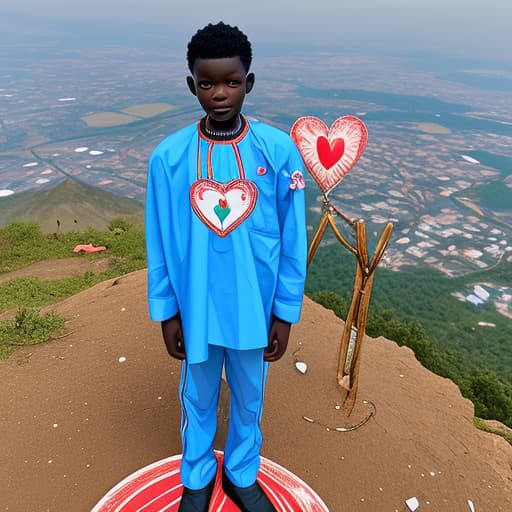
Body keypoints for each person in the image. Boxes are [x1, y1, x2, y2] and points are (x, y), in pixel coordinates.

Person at [145, 21, 307, 512]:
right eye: (208, 83)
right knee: (196, 396)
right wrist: (167, 312)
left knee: (249, 396)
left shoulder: (277, 152)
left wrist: (284, 312)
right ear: (192, 84)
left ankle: (240, 472)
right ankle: (195, 477)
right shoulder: (168, 159)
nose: (220, 93)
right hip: (195, 308)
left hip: (254, 311)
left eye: (232, 82)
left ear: (249, 83)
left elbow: (293, 240)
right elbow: (158, 240)